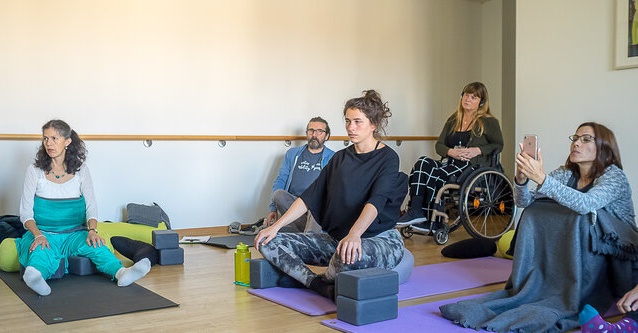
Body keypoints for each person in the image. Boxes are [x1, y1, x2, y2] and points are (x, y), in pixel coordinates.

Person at [440, 122, 636, 332]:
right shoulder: (566, 173)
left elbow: (585, 204)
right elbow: (525, 202)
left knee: (581, 216)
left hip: (620, 258)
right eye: (575, 138)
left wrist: (541, 178)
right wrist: (521, 180)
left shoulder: (614, 176)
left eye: (586, 139)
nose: (576, 143)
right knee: (536, 211)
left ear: (604, 147)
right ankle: (543, 287)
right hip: (581, 250)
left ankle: (577, 294)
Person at [254, 90, 407, 300]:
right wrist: (275, 227)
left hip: (378, 240)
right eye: (347, 121)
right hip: (338, 241)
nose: (350, 128)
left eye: (357, 122)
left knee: (346, 257)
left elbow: (376, 201)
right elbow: (310, 196)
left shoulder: (388, 158)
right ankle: (317, 283)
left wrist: (354, 235)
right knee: (267, 241)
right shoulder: (340, 158)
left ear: (373, 124)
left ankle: (320, 279)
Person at [18, 120, 151, 296]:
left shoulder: (81, 170)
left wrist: (92, 230)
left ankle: (121, 274)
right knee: (41, 251)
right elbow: (25, 213)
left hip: (74, 233)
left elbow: (91, 206)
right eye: (45, 138)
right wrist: (38, 235)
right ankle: (35, 276)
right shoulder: (34, 171)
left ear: (67, 141)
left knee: (97, 246)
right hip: (44, 232)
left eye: (54, 138)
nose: (48, 143)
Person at [397, 82, 503, 231]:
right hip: (450, 162)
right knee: (422, 164)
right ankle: (416, 211)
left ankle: (433, 220)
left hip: (470, 167)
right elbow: (439, 145)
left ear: (482, 102)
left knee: (435, 174)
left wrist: (477, 150)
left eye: (473, 97)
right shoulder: (453, 120)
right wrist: (450, 152)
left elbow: (498, 145)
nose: (468, 99)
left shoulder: (488, 122)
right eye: (466, 95)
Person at [265, 117, 335, 233]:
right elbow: (281, 180)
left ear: (326, 136)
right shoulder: (292, 154)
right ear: (307, 133)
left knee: (316, 199)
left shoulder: (333, 157)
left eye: (319, 131)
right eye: (311, 130)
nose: (314, 134)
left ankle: (308, 237)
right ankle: (312, 236)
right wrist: (273, 208)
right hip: (295, 204)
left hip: (318, 207)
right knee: (278, 194)